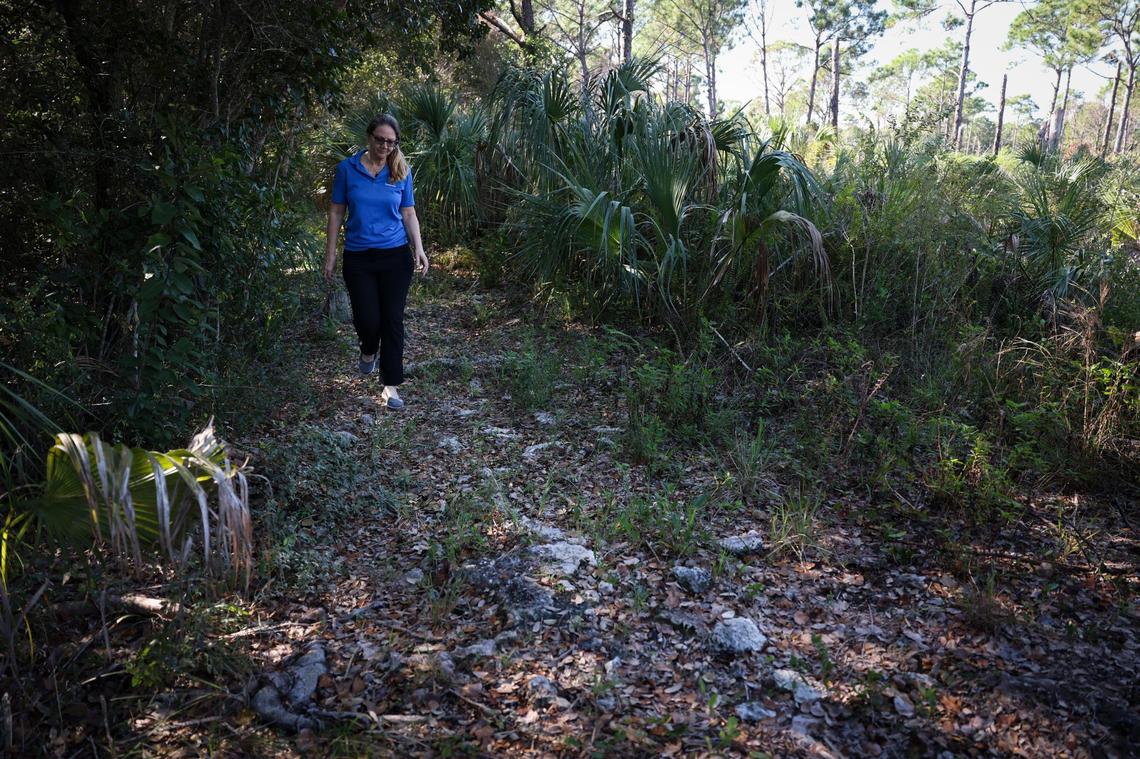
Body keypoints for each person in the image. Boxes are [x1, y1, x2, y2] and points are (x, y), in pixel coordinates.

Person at [324, 114, 429, 409]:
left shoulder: (401, 171)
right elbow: (335, 213)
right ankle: (368, 349)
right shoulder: (347, 169)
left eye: (391, 142)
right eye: (380, 139)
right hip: (358, 257)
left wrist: (418, 249)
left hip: (395, 256)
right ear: (369, 138)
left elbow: (408, 213)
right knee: (367, 320)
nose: (385, 146)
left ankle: (390, 386)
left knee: (393, 319)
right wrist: (330, 254)